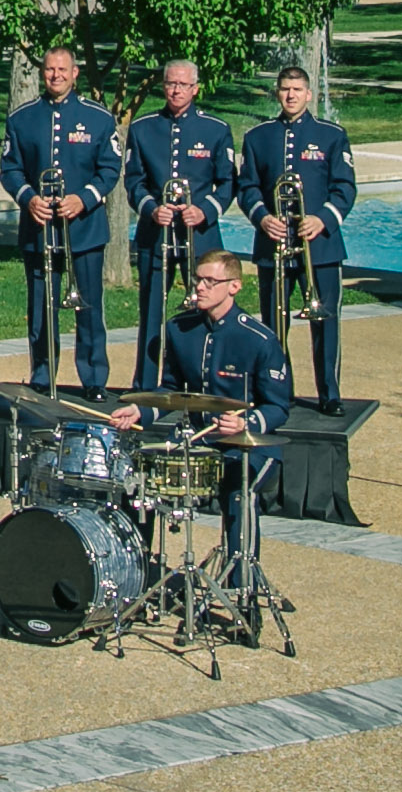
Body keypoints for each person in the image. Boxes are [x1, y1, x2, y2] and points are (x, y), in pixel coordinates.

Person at [109, 249, 293, 549]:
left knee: (238, 491)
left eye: (210, 281)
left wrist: (245, 423)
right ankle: (136, 571)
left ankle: (238, 583)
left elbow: (278, 407)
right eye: (198, 280)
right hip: (195, 438)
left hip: (248, 445)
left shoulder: (260, 339)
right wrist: (138, 411)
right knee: (138, 481)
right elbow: (170, 389)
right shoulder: (179, 329)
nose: (200, 287)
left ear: (234, 286)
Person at [237, 65, 358, 412]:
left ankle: (330, 394)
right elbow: (246, 187)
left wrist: (322, 219)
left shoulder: (332, 135)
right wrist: (263, 218)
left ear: (309, 94)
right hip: (273, 246)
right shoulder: (258, 137)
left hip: (319, 247)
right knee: (274, 323)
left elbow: (345, 188)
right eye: (284, 89)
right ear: (277, 93)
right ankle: (278, 391)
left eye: (297, 90)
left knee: (326, 323)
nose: (290, 95)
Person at [4, 42, 118, 394]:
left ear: (75, 73)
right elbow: (10, 170)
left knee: (88, 309)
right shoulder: (22, 118)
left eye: (62, 70)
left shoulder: (98, 117)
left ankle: (94, 379)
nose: (55, 76)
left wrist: (83, 200)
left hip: (84, 230)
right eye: (50, 70)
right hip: (39, 230)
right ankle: (42, 376)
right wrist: (29, 199)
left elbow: (110, 168)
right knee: (41, 310)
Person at [120, 58, 237, 391]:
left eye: (183, 84)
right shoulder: (143, 128)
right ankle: (144, 385)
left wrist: (204, 211)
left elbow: (228, 182)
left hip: (199, 238)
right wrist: (151, 209)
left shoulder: (215, 129)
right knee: (152, 313)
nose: (176, 90)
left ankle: (198, 384)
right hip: (156, 235)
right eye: (171, 83)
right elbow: (134, 181)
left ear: (195, 88)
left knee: (205, 310)